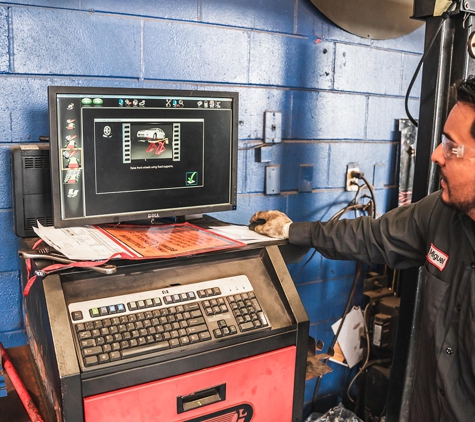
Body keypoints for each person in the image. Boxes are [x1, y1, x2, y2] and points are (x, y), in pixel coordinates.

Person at [249, 77, 475, 422]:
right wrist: (291, 230)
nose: (435, 155)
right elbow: (371, 236)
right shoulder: (440, 214)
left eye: (451, 146)